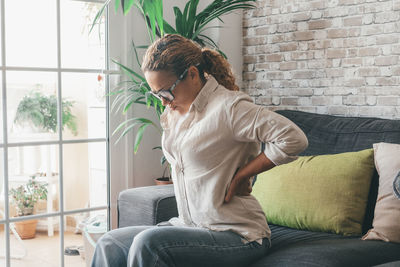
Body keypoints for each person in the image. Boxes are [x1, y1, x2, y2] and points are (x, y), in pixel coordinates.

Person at [92, 34, 308, 267]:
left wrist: (244, 174)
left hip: (237, 234)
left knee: (149, 243)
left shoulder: (229, 108)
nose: (163, 101)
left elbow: (293, 137)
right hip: (188, 226)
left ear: (193, 74)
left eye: (165, 92)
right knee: (111, 242)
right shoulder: (175, 113)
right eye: (157, 95)